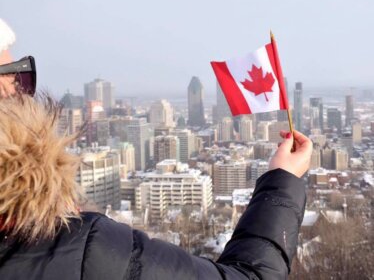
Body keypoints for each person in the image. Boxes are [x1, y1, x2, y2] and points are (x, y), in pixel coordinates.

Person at [0, 19, 312, 279]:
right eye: (14, 75)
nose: (21, 89)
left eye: (22, 74)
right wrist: (282, 181)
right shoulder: (82, 251)